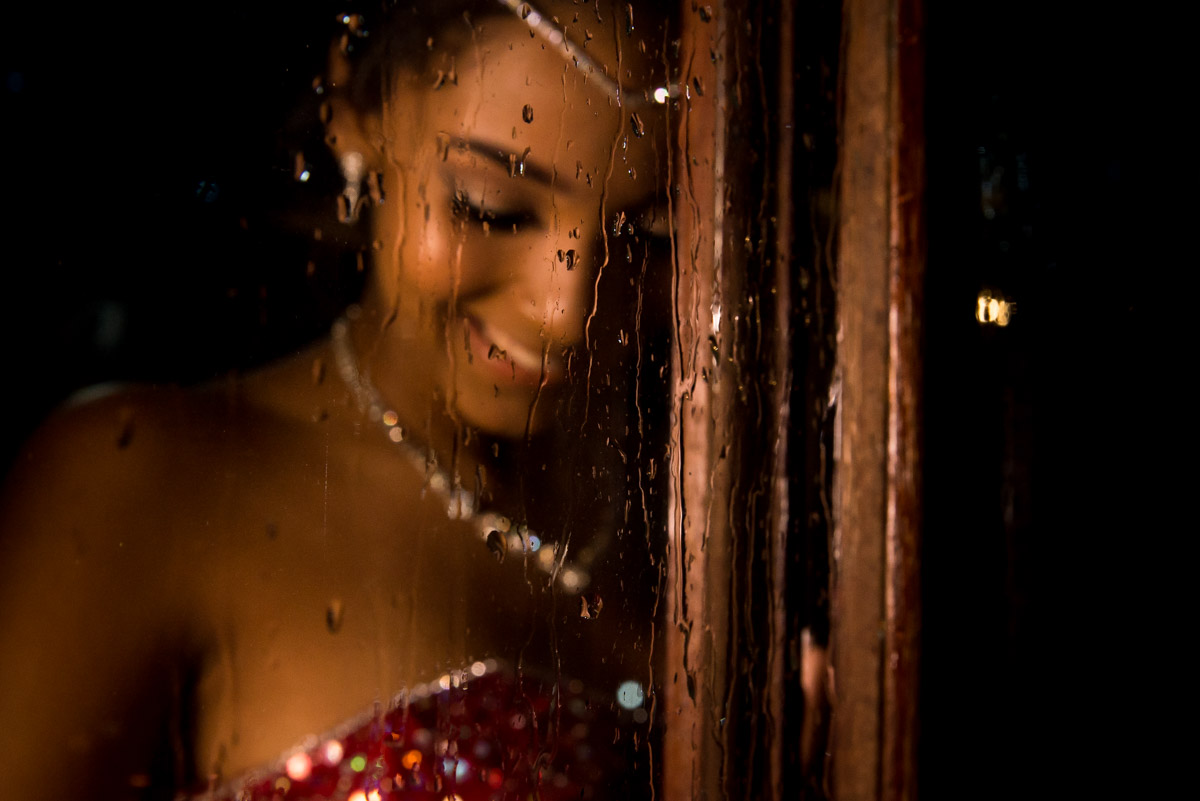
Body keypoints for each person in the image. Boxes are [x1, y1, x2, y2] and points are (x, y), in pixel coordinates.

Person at [0, 2, 674, 798]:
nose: (567, 309)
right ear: (359, 112)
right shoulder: (145, 485)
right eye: (490, 208)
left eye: (652, 235)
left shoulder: (679, 527)